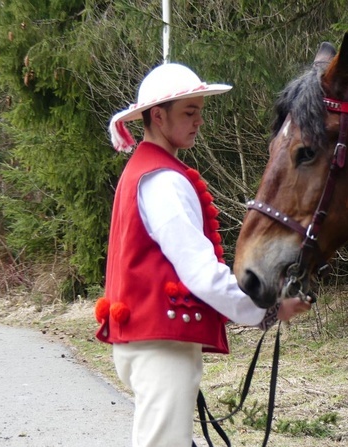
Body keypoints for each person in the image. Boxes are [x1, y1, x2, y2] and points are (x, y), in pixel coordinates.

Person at [94, 62, 311, 447]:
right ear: (158, 116)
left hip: (149, 341)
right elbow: (199, 271)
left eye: (200, 112)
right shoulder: (163, 181)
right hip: (160, 346)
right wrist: (267, 308)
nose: (198, 122)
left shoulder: (143, 172)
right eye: (189, 113)